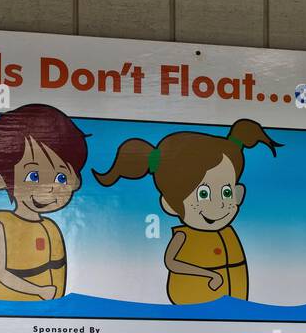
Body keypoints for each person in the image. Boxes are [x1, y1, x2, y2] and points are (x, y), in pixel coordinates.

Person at [94, 120, 279, 304]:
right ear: (170, 205)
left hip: (234, 305)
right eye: (203, 194)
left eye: (226, 192)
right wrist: (208, 274)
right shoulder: (184, 235)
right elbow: (171, 262)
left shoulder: (227, 232)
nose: (220, 204)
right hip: (195, 304)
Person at [0, 104, 87, 300]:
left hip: (42, 306)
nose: (50, 187)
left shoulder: (51, 229)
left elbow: (57, 274)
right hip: (0, 299)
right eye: (33, 176)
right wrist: (40, 292)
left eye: (61, 177)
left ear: (75, 181)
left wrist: (52, 301)